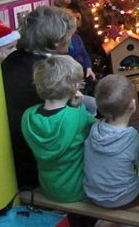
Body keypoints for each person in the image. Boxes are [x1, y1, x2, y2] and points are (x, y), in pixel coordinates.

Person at [2, 6, 82, 188]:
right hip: (36, 160)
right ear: (55, 42)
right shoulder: (48, 73)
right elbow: (63, 120)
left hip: (16, 150)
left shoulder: (13, 59)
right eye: (70, 35)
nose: (71, 40)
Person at [21, 55, 95, 202]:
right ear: (74, 87)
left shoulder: (28, 117)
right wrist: (79, 107)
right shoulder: (78, 116)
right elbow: (97, 130)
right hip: (78, 189)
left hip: (49, 188)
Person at [84, 75, 139, 208]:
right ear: (133, 105)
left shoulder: (94, 130)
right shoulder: (132, 138)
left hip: (94, 196)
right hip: (125, 199)